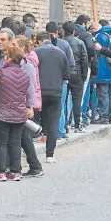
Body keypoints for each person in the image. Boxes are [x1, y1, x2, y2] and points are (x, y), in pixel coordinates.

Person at [0, 42, 33, 181]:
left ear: (9, 57)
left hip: (1, 113)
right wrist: (28, 107)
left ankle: (0, 172)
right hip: (19, 114)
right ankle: (15, 171)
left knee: (0, 143)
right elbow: (29, 94)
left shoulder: (0, 73)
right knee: (15, 143)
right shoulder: (25, 75)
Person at [34, 31, 70, 163]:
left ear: (38, 41)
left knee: (32, 121)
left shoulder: (36, 52)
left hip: (39, 92)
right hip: (56, 92)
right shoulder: (61, 53)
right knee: (53, 123)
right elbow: (67, 74)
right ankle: (50, 155)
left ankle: (29, 151)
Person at [13, 36, 44, 177]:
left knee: (22, 136)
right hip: (17, 104)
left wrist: (29, 106)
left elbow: (31, 86)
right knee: (23, 135)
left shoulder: (26, 64)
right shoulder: (18, 61)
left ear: (21, 47)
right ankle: (34, 166)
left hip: (22, 104)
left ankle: (31, 166)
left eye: (14, 44)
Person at [46, 22, 75, 138]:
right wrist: (65, 76)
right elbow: (71, 63)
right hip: (61, 81)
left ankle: (48, 132)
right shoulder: (65, 44)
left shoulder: (40, 46)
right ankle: (60, 131)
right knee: (60, 105)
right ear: (57, 32)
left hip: (45, 81)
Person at [62, 22, 89, 133]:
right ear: (74, 31)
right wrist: (84, 75)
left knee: (63, 100)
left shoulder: (61, 43)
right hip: (77, 74)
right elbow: (84, 60)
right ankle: (77, 124)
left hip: (64, 74)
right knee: (77, 100)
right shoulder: (80, 42)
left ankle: (64, 125)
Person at [93, 21, 111, 125]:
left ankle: (104, 116)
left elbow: (97, 52)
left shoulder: (100, 37)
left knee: (103, 93)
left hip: (103, 68)